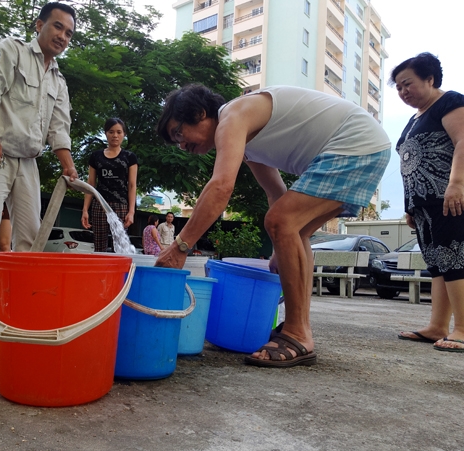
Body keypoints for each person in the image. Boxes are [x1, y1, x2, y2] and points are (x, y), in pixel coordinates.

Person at [155, 84, 391, 368]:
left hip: (354, 144)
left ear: (200, 113)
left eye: (179, 133)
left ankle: (297, 332)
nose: (182, 145)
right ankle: (299, 328)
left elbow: (220, 187)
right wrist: (282, 245)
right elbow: (275, 194)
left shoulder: (231, 115)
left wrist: (181, 246)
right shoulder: (248, 139)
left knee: (281, 221)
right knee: (291, 226)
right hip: (364, 146)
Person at [0, 2, 78, 253]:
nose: (62, 36)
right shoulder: (11, 50)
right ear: (39, 25)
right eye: (57, 27)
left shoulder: (58, 80)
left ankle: (18, 292)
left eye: (68, 33)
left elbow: (59, 127)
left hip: (27, 161)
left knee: (31, 238)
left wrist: (68, 166)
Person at [389, 53, 464, 352]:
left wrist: (457, 183)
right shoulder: (413, 119)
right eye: (398, 87)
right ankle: (437, 326)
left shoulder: (450, 102)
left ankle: (462, 328)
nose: (403, 91)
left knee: (456, 260)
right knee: (438, 265)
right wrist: (410, 206)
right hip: (424, 206)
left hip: (449, 197)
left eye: (408, 84)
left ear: (430, 79)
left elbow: (463, 141)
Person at [81, 118, 138, 252]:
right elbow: (91, 184)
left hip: (121, 206)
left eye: (119, 132)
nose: (115, 135)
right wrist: (85, 209)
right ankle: (99, 272)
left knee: (119, 246)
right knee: (99, 246)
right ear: (106, 133)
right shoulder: (96, 156)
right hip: (99, 205)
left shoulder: (129, 157)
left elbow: (132, 185)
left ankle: (118, 272)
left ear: (124, 134)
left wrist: (131, 211)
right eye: (111, 132)